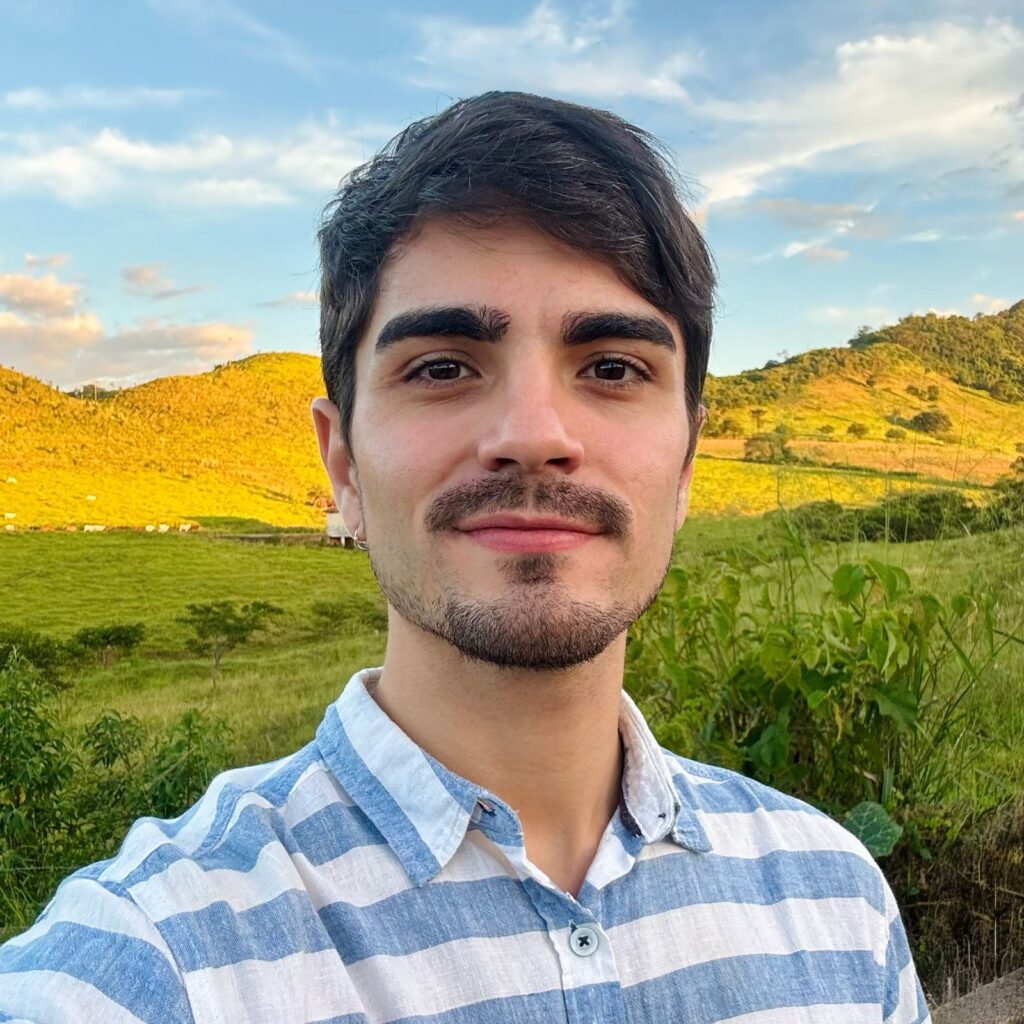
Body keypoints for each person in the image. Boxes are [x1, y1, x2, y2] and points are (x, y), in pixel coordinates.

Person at [0, 91, 930, 1023]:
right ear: (342, 463)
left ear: (687, 460)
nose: (534, 435)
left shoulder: (841, 904)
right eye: (442, 368)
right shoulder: (151, 958)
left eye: (612, 368)